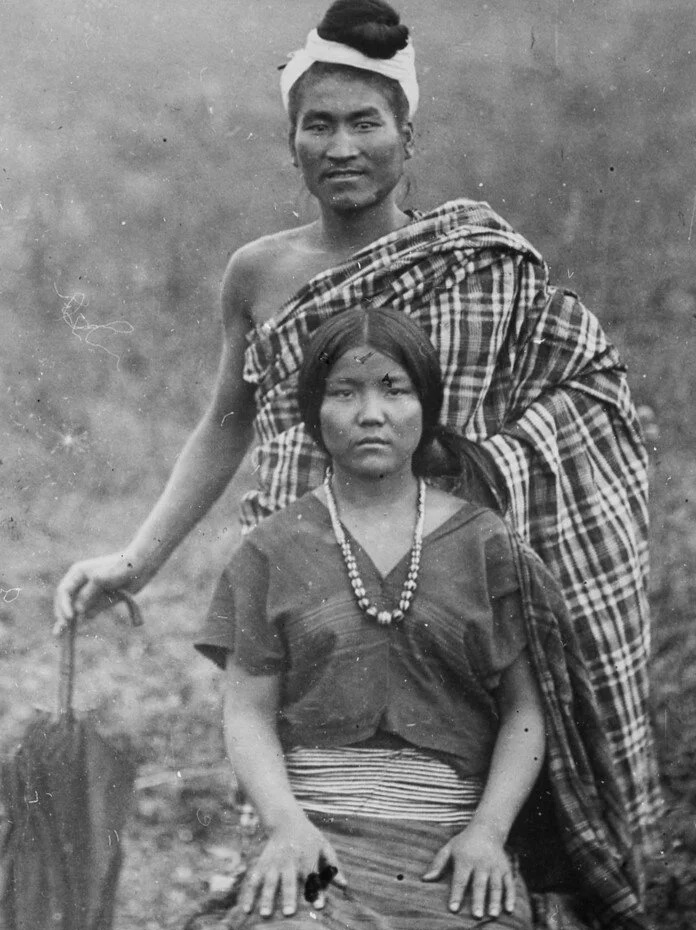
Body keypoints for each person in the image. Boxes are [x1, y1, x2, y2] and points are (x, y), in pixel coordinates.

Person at [54, 0, 660, 852]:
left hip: (442, 585)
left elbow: (589, 393)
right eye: (318, 125)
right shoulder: (259, 273)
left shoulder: (476, 263)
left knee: (455, 815)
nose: (342, 148)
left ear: (407, 136)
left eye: (366, 123)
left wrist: (482, 473)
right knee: (304, 808)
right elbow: (226, 425)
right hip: (302, 579)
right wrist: (135, 562)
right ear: (292, 140)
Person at [149, 307, 696, 930]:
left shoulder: (487, 545)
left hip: (449, 844)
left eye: (394, 389)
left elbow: (526, 710)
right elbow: (246, 712)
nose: (371, 412)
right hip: (323, 836)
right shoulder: (271, 548)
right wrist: (286, 827)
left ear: (428, 406)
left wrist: (485, 832)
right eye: (345, 391)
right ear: (314, 411)